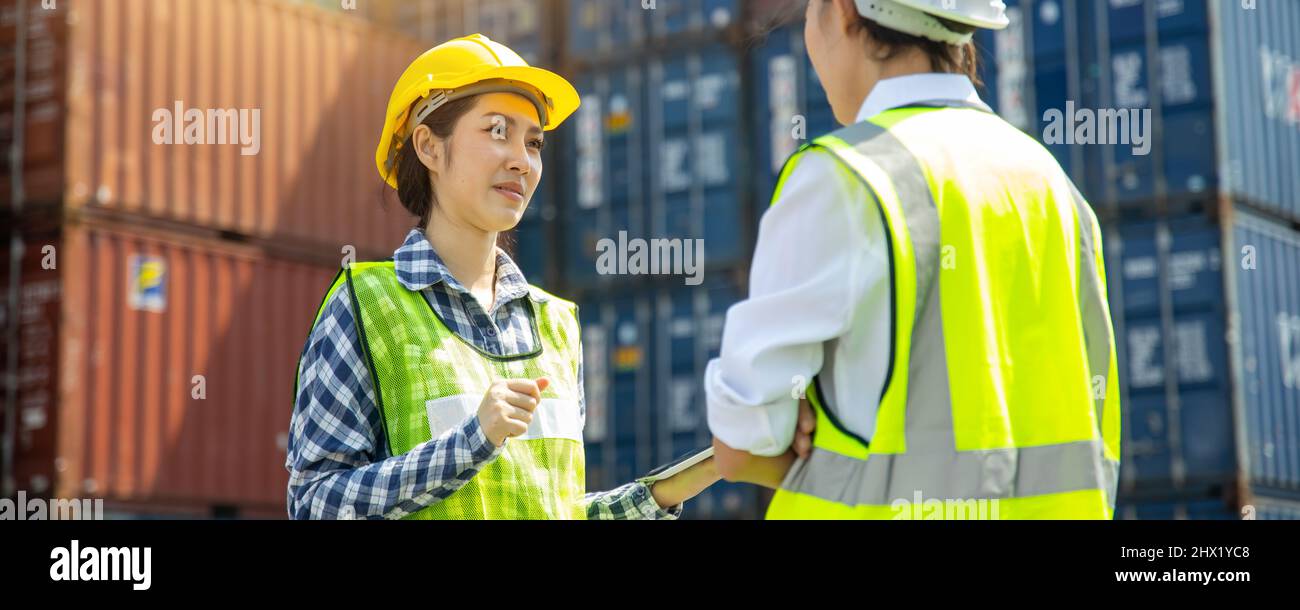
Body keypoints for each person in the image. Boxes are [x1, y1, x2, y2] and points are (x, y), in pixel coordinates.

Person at [706, 0, 1121, 519]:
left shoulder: (844, 177)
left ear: (841, 11)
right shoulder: (1054, 186)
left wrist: (801, 416)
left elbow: (740, 448)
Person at [287, 34, 719, 520]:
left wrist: (675, 487)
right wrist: (473, 441)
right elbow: (313, 505)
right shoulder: (366, 308)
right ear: (428, 146)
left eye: (533, 142)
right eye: (497, 131)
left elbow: (557, 511)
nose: (522, 160)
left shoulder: (556, 325)